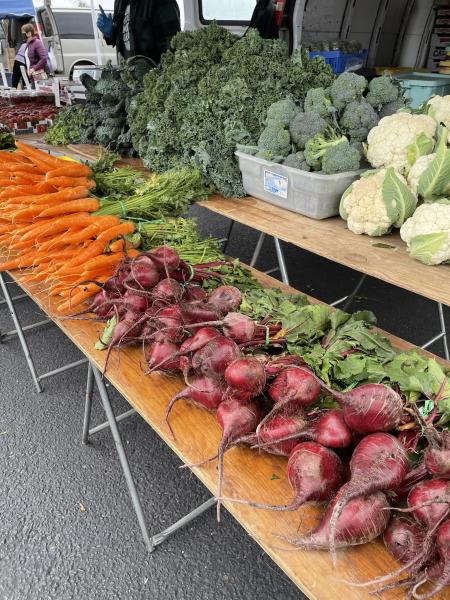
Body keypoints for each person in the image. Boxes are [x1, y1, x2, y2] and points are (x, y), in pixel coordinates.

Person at [97, 0, 181, 64]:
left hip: (153, 80)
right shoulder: (120, 2)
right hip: (128, 77)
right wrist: (110, 33)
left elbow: (172, 46)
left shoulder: (162, 2)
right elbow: (126, 37)